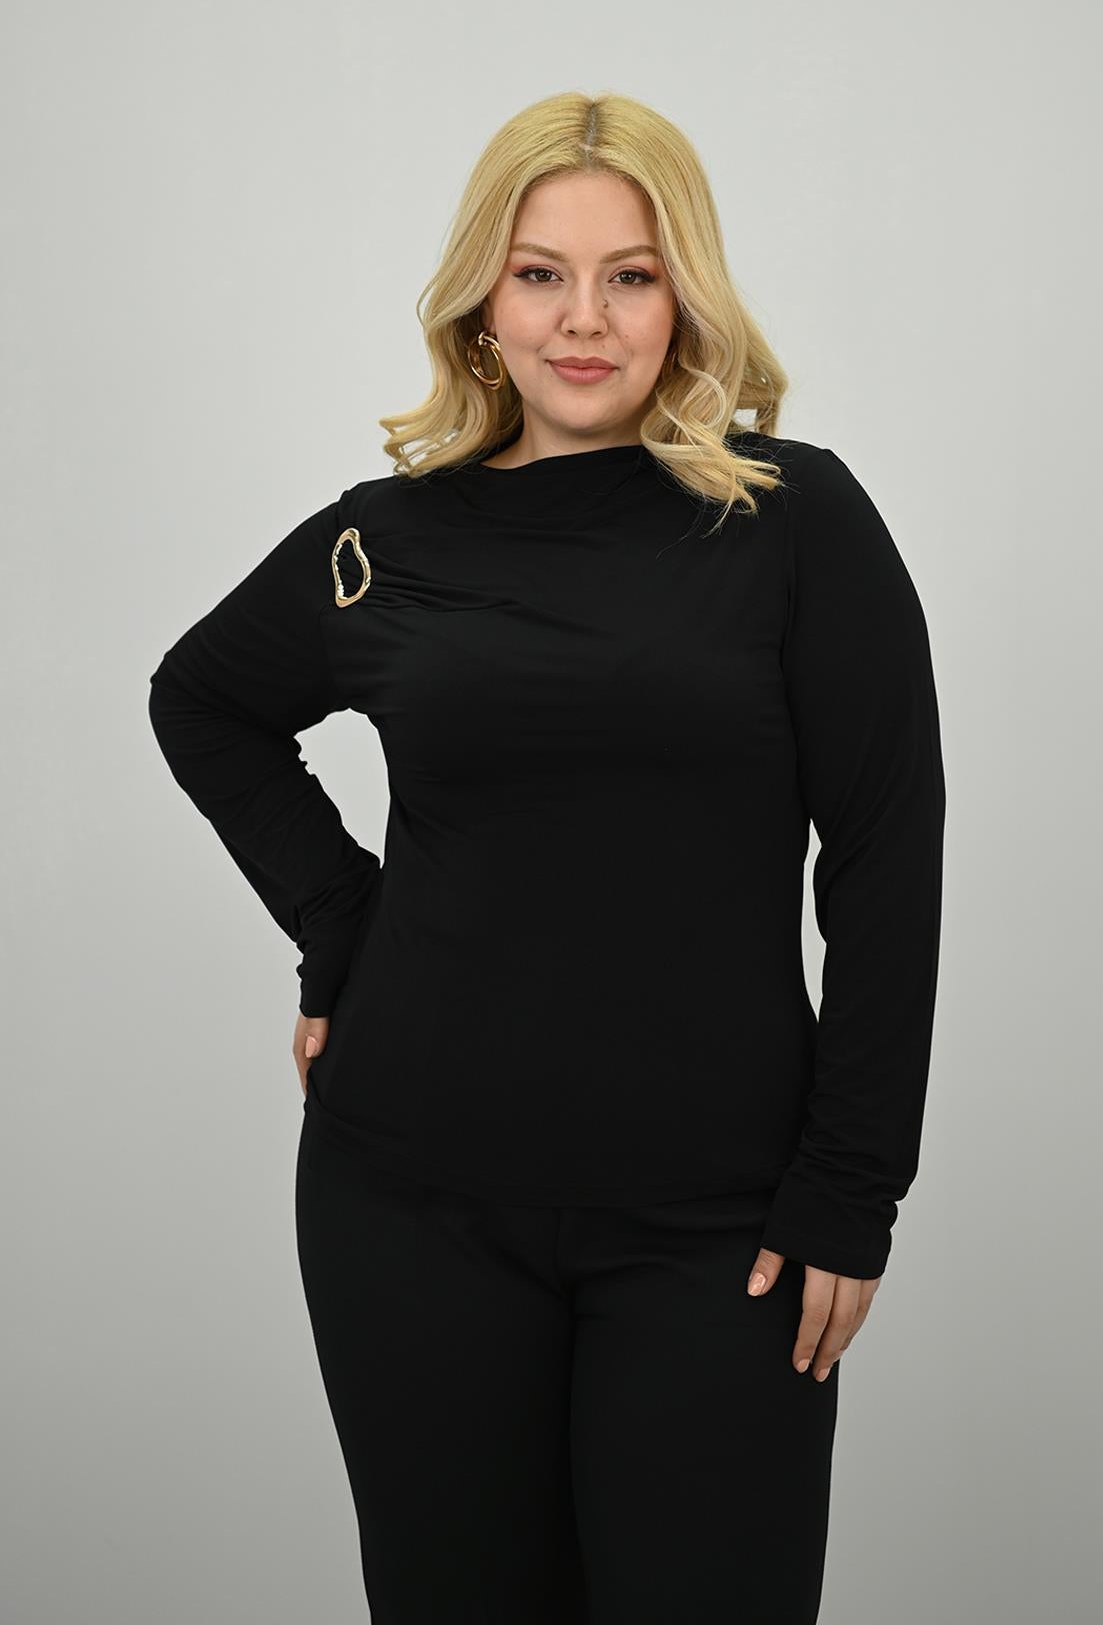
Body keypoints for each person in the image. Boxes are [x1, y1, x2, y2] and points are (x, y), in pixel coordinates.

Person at [147, 89, 946, 1624]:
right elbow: (202, 699)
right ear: (483, 301)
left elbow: (886, 855)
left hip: (724, 1234)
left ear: (686, 295)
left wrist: (855, 1186)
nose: (584, 318)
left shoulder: (796, 524)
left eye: (631, 275)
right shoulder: (388, 541)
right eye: (540, 274)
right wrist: (342, 928)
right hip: (407, 1209)